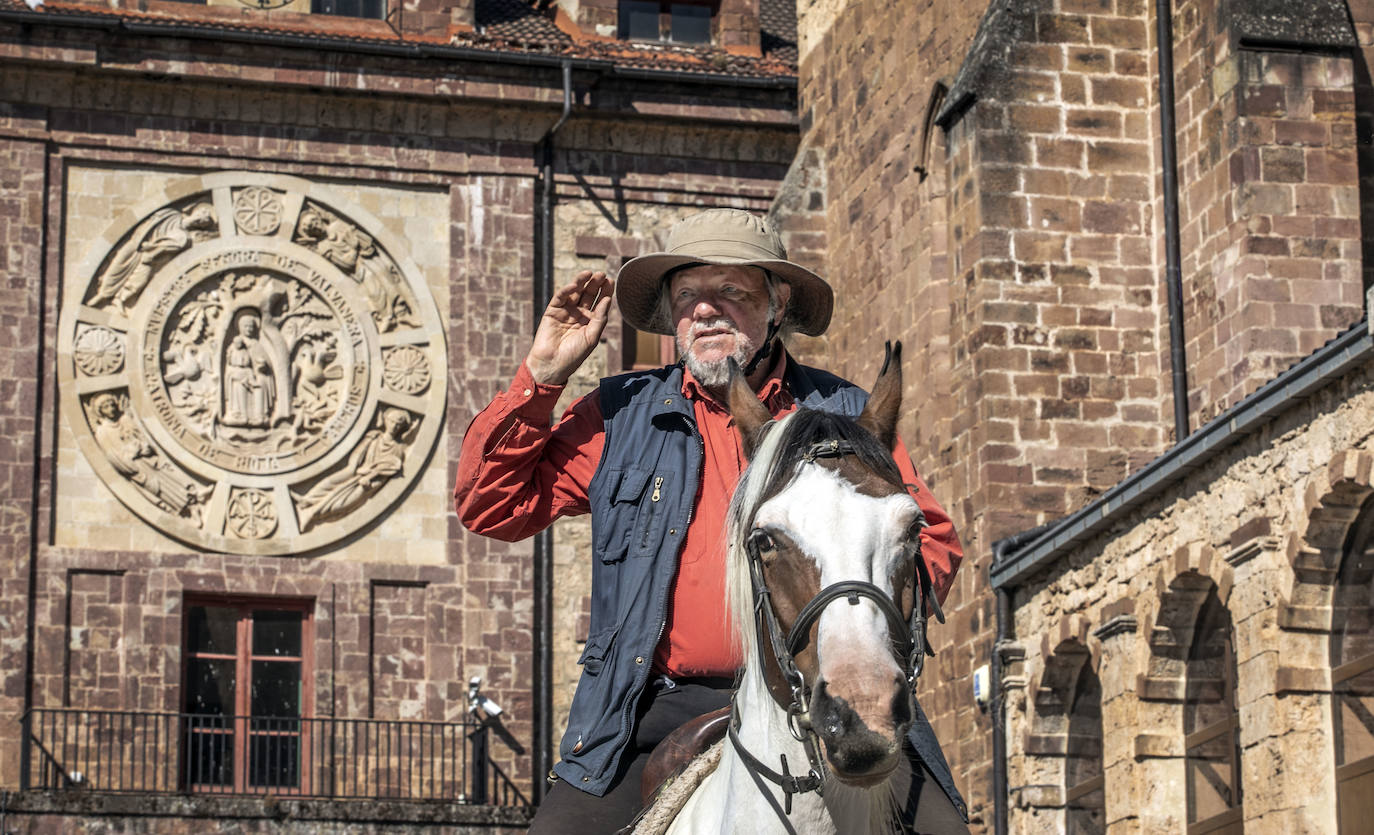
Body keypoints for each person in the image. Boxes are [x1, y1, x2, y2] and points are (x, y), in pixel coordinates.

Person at [454, 209, 967, 832]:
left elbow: (928, 537)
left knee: (945, 828)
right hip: (649, 709)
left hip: (824, 687)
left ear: (777, 306)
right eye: (688, 295)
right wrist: (542, 376)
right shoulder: (621, 415)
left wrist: (860, 637)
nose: (705, 310)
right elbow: (489, 503)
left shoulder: (844, 411)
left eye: (731, 292)